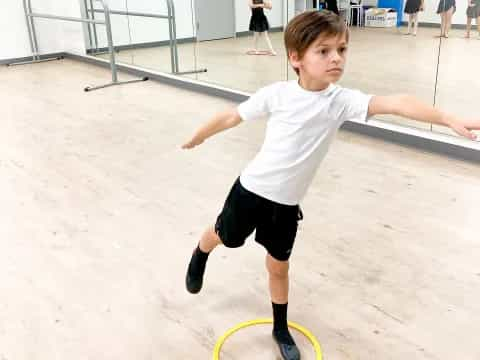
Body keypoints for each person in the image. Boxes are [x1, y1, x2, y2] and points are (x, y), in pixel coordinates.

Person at [183, 10, 479, 360]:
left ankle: (280, 327)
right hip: (250, 191)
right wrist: (198, 136)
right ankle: (201, 252)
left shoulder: (341, 101)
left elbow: (397, 103)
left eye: (341, 49)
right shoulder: (277, 94)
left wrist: (448, 118)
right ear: (296, 58)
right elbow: (232, 115)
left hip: (286, 205)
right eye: (323, 51)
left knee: (279, 266)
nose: (336, 57)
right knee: (225, 236)